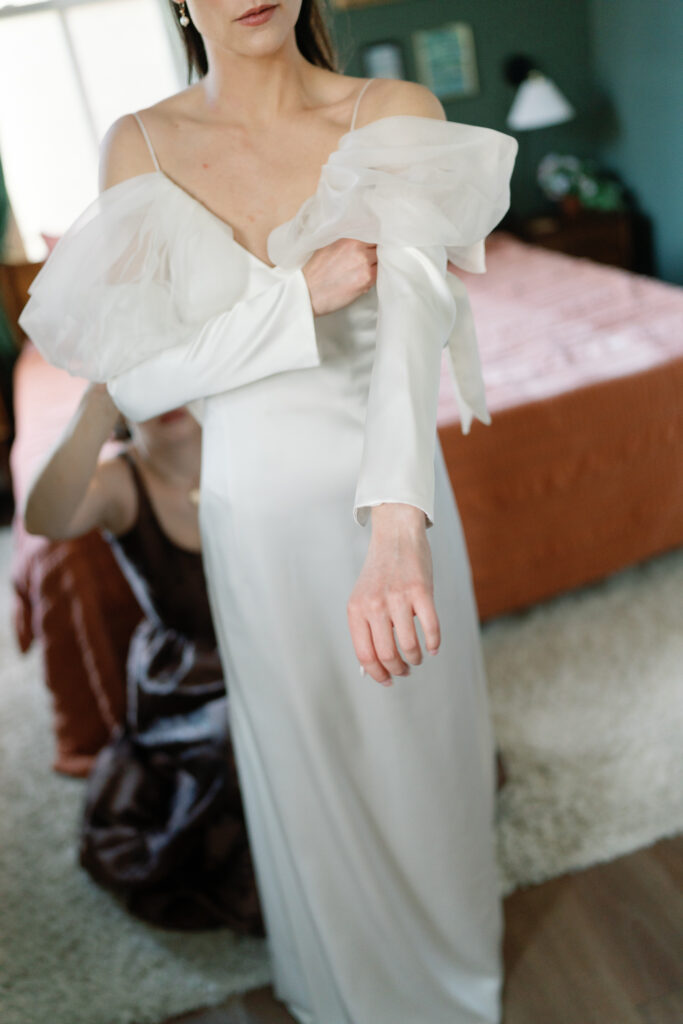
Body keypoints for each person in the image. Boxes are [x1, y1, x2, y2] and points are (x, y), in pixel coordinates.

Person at [19, 1, 518, 1020]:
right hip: (252, 513)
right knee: (306, 765)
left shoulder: (390, 108)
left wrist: (393, 531)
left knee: (424, 753)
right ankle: (339, 990)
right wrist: (295, 297)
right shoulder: (142, 144)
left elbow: (413, 329)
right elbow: (141, 380)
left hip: (393, 504)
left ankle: (456, 986)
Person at [23, 387, 264, 934]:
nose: (165, 395)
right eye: (146, 382)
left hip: (272, 647)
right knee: (239, 738)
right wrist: (95, 404)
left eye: (175, 374)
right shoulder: (118, 482)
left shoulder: (251, 444)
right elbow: (42, 519)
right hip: (190, 679)